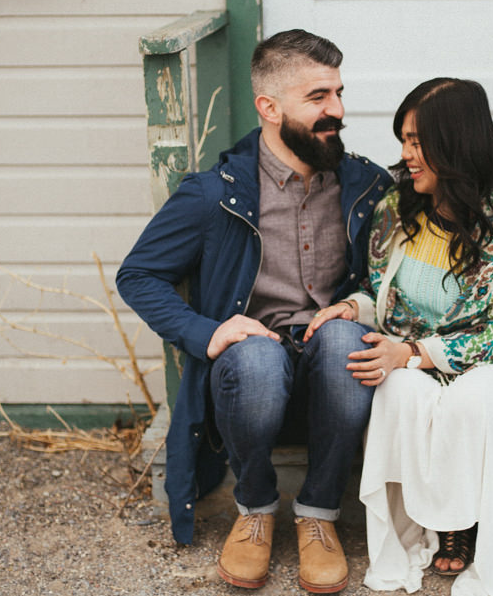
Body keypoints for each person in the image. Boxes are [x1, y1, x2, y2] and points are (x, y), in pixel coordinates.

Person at [115, 29, 392, 593]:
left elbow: (398, 272)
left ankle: (319, 513)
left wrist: (356, 305)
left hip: (334, 377)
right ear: (269, 107)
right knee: (256, 360)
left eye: (338, 93)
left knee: (345, 339)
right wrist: (207, 331)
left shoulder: (366, 184)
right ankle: (257, 507)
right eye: (318, 98)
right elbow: (137, 275)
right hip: (248, 383)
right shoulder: (214, 194)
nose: (336, 110)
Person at [305, 78, 493, 596]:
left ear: (457, 143)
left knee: (472, 397)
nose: (405, 155)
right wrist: (353, 307)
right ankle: (418, 528)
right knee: (399, 390)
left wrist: (415, 353)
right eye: (404, 140)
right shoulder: (397, 212)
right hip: (412, 359)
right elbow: (383, 297)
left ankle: (466, 523)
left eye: (417, 142)